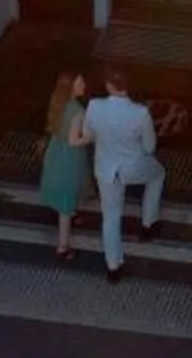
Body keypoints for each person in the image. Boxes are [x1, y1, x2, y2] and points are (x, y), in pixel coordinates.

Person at [82, 69, 163, 280]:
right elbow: (149, 147)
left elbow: (88, 136)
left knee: (110, 217)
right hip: (133, 167)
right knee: (158, 175)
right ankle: (148, 223)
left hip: (106, 169)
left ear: (109, 86)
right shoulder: (140, 113)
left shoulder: (94, 107)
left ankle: (113, 267)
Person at [36, 72, 90, 259]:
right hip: (69, 159)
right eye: (80, 83)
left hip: (56, 153)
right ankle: (63, 247)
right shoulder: (77, 111)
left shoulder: (58, 104)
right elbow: (74, 141)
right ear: (71, 88)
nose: (84, 85)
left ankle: (71, 214)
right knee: (66, 200)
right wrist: (90, 137)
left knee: (63, 192)